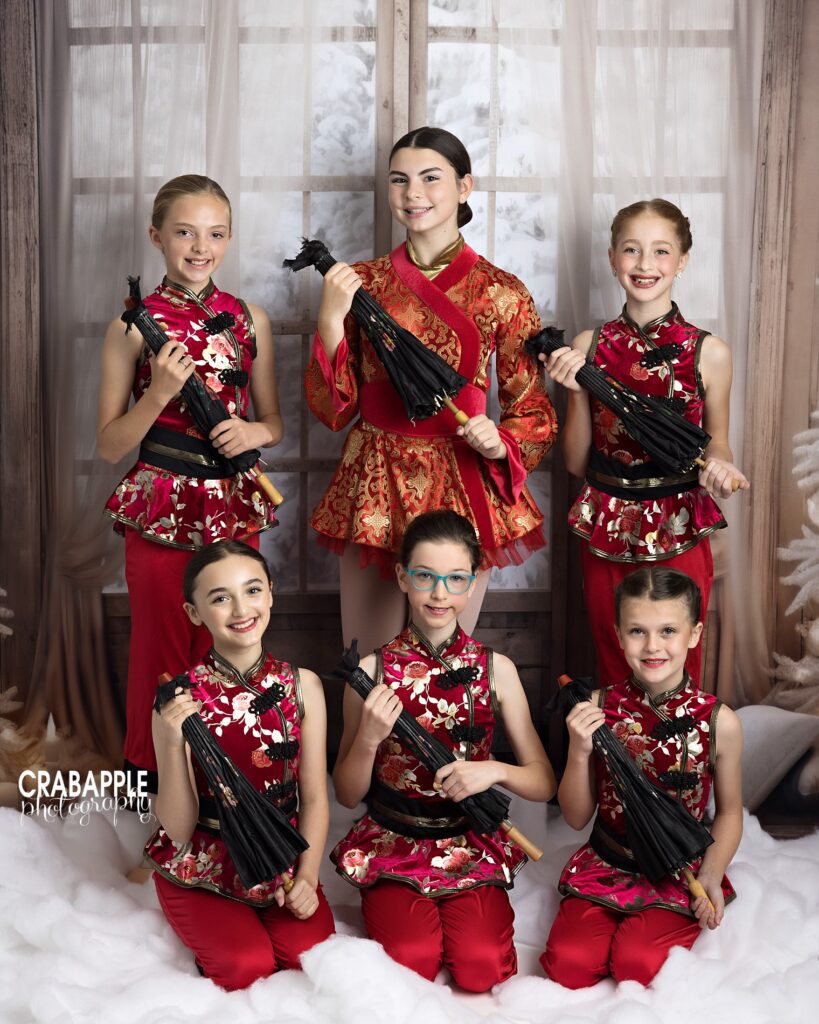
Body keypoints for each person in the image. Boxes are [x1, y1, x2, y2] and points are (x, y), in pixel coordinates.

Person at [304, 126, 557, 656]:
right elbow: (333, 411)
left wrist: (500, 442)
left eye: (430, 178)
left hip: (462, 476)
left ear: (464, 187)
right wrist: (330, 322)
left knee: (447, 660)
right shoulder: (359, 282)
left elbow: (531, 406)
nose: (413, 192)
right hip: (376, 475)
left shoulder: (502, 291)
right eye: (399, 180)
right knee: (367, 660)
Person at [97, 174, 283, 789]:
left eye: (215, 233)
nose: (200, 247)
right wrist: (157, 397)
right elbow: (107, 446)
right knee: (161, 651)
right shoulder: (132, 326)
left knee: (232, 646)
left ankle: (230, 788)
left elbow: (274, 421)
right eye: (184, 232)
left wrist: (252, 435)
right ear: (157, 236)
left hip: (231, 504)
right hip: (158, 500)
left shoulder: (249, 318)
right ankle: (151, 795)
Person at [331, 510, 556, 991]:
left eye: (455, 579)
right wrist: (369, 739)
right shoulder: (370, 671)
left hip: (469, 840)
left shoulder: (498, 669)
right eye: (425, 577)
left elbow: (543, 781)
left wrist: (491, 771)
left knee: (482, 968)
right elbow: (348, 795)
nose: (439, 593)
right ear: (401, 577)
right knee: (411, 961)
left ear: (472, 583)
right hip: (394, 839)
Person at [541, 199, 749, 686]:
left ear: (683, 259)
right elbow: (575, 463)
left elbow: (718, 445)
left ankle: (680, 761)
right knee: (616, 659)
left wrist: (720, 465)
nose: (645, 264)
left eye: (661, 251)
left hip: (678, 519)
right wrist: (574, 393)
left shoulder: (709, 352)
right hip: (606, 521)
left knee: (677, 664)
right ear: (613, 258)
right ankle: (615, 762)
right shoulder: (588, 346)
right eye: (632, 251)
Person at [541, 567, 743, 988]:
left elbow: (727, 813)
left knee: (638, 964)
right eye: (637, 631)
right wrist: (578, 750)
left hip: (676, 871)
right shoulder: (596, 706)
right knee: (569, 966)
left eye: (668, 630)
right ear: (618, 634)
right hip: (607, 860)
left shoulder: (719, 721)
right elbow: (577, 818)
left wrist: (710, 874)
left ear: (694, 633)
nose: (653, 646)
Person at [146, 540, 334, 990]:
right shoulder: (177, 701)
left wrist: (307, 877)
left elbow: (313, 798)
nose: (240, 608)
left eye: (251, 590)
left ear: (270, 593)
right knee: (246, 968)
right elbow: (177, 829)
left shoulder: (302, 685)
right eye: (219, 597)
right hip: (206, 858)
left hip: (282, 856)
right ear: (195, 614)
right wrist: (173, 744)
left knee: (311, 962)